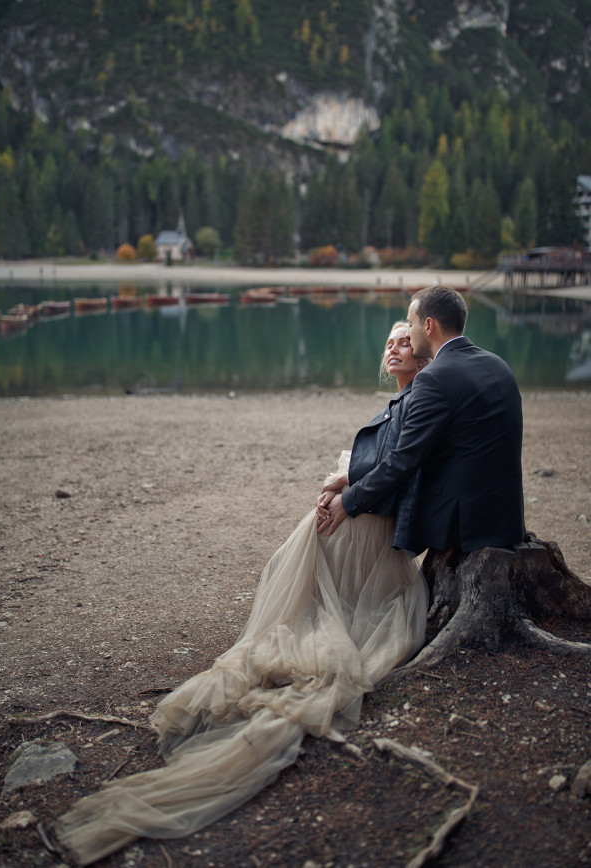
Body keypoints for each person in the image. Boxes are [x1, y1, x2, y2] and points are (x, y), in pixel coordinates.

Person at [56, 323, 429, 866]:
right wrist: (337, 487)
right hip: (354, 522)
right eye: (390, 341)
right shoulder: (401, 401)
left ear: (423, 353)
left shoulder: (418, 401)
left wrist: (342, 488)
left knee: (327, 619)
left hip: (370, 533)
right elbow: (379, 464)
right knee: (300, 594)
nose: (394, 347)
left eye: (404, 341)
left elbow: (394, 472)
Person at [320, 285, 526, 557]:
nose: (409, 328)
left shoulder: (434, 378)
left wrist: (349, 502)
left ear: (428, 325)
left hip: (464, 525)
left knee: (348, 509)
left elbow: (404, 459)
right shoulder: (497, 364)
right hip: (506, 517)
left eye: (411, 322)